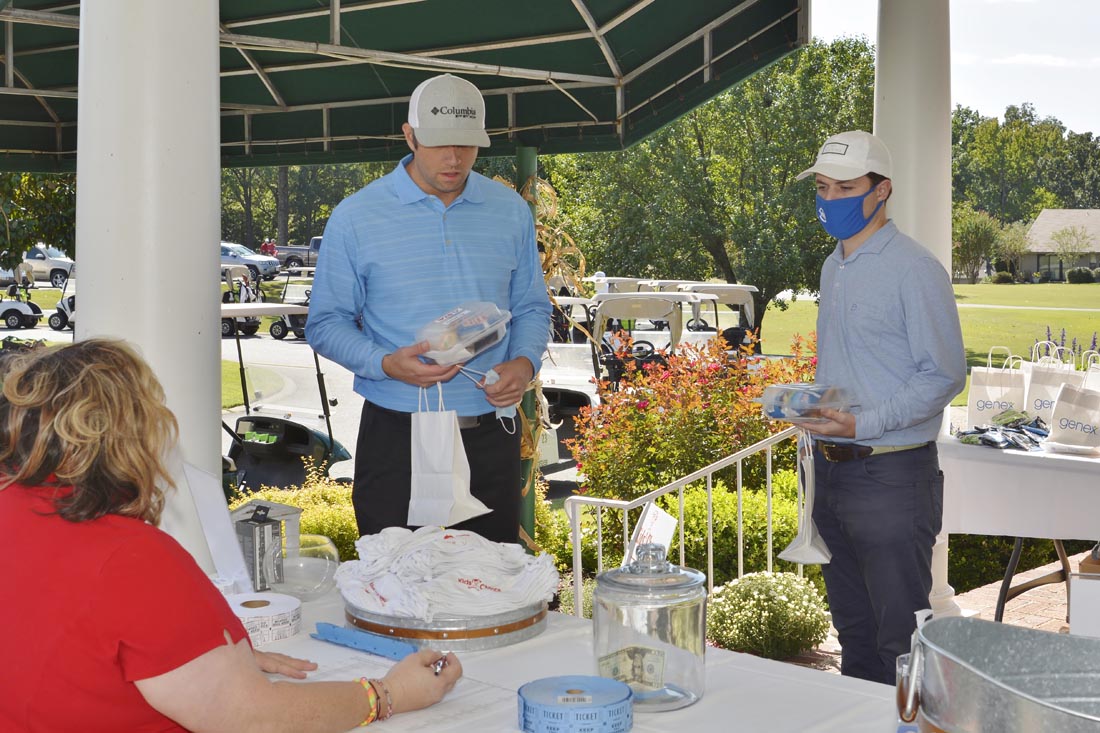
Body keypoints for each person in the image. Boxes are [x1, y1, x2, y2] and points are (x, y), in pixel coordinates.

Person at [0, 339, 462, 732]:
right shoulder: (130, 556)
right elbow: (250, 717)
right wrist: (388, 694)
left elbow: (53, 634)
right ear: (130, 437)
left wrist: (197, 658)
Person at [307, 73, 552, 543]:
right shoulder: (356, 216)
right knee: (392, 576)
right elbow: (325, 323)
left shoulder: (509, 211)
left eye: (466, 144)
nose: (454, 158)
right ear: (410, 135)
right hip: (396, 435)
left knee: (490, 576)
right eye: (439, 143)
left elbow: (531, 307)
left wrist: (524, 362)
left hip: (489, 435)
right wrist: (384, 363)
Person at [794, 130, 966, 684]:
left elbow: (944, 374)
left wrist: (862, 422)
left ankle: (908, 721)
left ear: (882, 190)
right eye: (823, 187)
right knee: (853, 634)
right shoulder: (833, 266)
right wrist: (813, 405)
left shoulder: (914, 268)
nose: (831, 199)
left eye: (846, 187)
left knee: (900, 644)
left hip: (891, 477)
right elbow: (858, 365)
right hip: (831, 473)